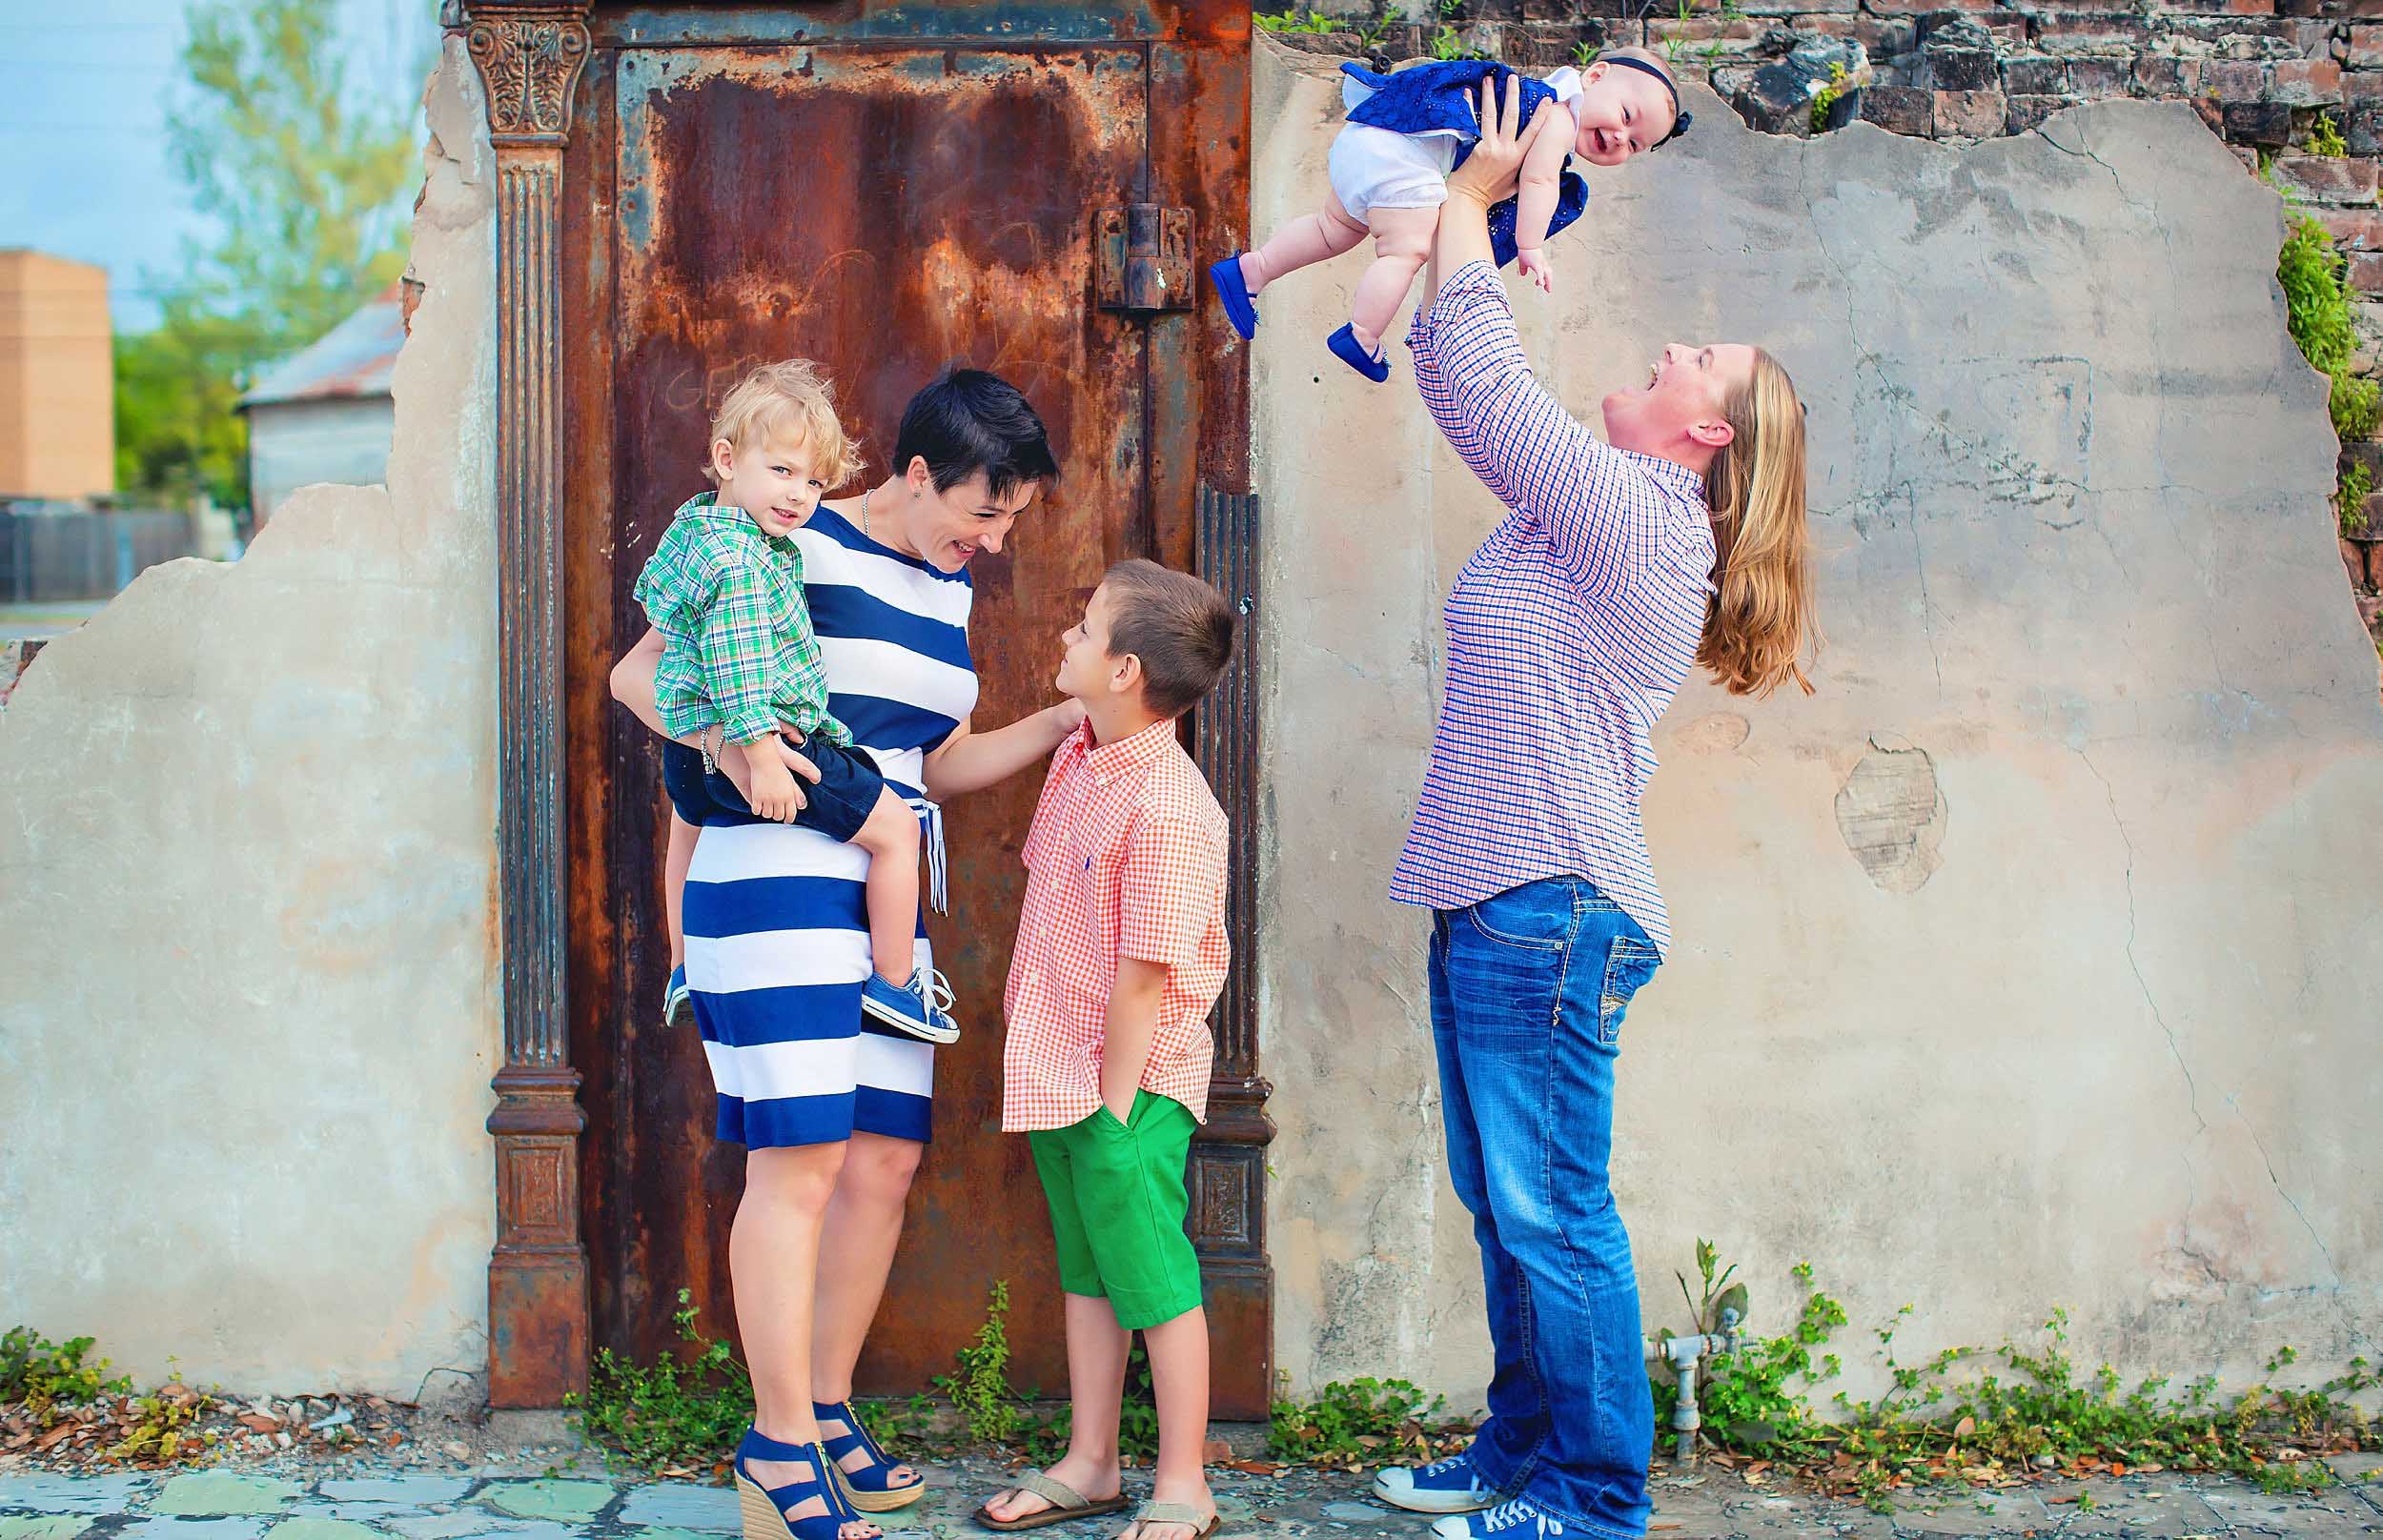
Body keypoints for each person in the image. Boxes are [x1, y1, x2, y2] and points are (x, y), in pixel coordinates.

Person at [1365, 77, 1817, 1540]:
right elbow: (1458, 381)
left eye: (1703, 359)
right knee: (1511, 1205)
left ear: (1709, 437)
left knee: (1555, 1211)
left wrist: (1476, 199)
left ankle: (1596, 1498)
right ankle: (1521, 1449)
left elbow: (1488, 391)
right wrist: (1459, 227)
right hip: (1507, 897)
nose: (1675, 348)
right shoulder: (1592, 511)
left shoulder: (1642, 515)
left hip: (1552, 907)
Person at [611, 369, 1072, 1540]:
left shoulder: (947, 589)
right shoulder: (788, 531)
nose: (994, 537)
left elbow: (941, 759)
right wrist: (735, 745)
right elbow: (640, 677)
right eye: (982, 510)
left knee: (882, 1162)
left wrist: (1064, 723)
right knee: (801, 1160)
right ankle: (775, 1449)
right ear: (915, 475)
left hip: (889, 887)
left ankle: (820, 1411)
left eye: (1012, 518)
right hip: (776, 878)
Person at [973, 560, 1238, 1540]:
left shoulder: (1170, 806)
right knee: (1090, 1272)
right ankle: (1091, 1460)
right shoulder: (1082, 757)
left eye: (1082, 632)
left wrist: (1119, 1107)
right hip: (1058, 1071)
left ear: (1124, 668)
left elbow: (1144, 975)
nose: (1063, 642)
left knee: (1154, 1280)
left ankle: (1184, 1484)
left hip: (1123, 1085)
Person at [633, 358, 952, 1044]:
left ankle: (683, 965)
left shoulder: (696, 533)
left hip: (690, 752)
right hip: (765, 743)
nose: (799, 496)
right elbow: (742, 666)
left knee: (685, 826)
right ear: (725, 458)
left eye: (813, 481)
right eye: (782, 471)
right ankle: (897, 987)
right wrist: (763, 757)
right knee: (897, 832)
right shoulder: (746, 564)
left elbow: (662, 606)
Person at [1207, 50, 1690, 380]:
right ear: (1596, 76)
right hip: (1404, 155)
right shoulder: (1559, 116)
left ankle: (1250, 271)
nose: (1621, 139)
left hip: (1372, 134)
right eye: (1626, 117)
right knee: (1405, 249)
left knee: (1332, 228)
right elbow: (1541, 182)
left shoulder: (1531, 95)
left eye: (1636, 144)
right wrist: (1530, 247)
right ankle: (1363, 335)